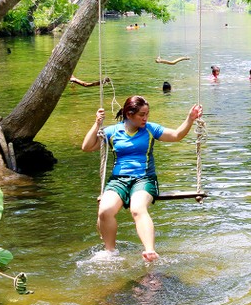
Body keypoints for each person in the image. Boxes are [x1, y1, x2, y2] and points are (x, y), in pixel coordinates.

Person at [81, 96, 203, 261]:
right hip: (118, 180)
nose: (145, 118)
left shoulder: (150, 130)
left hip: (144, 179)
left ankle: (150, 251)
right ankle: (110, 253)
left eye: (147, 114)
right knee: (104, 211)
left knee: (137, 208)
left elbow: (175, 135)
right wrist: (97, 124)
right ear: (129, 114)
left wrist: (190, 118)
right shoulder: (112, 131)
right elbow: (87, 147)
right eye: (141, 115)